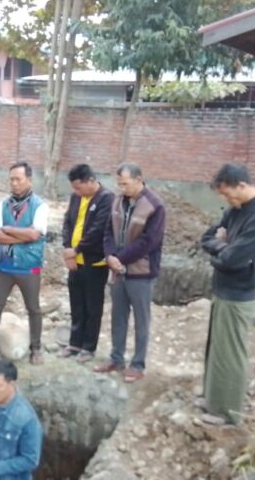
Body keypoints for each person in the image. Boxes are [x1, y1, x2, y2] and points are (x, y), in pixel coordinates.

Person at [199, 163, 255, 426]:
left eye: (227, 194)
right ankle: (212, 399)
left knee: (230, 353)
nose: (225, 200)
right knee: (216, 349)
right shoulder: (235, 211)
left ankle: (227, 412)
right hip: (222, 287)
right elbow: (207, 238)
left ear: (241, 186)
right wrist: (223, 246)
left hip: (239, 293)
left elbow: (231, 259)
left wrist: (222, 249)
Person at [93, 162, 165, 383]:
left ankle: (138, 364)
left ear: (138, 180)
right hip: (118, 271)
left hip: (141, 272)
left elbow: (149, 241)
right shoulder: (117, 201)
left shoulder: (155, 206)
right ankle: (116, 358)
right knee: (118, 316)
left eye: (125, 184)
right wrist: (110, 256)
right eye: (119, 184)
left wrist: (119, 258)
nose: (121, 188)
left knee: (141, 319)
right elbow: (108, 232)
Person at [0, 162, 48, 365]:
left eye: (18, 179)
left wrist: (7, 229)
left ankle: (36, 348)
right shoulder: (3, 204)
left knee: (33, 308)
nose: (14, 183)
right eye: (11, 179)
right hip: (4, 266)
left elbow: (35, 234)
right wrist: (22, 236)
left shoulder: (40, 206)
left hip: (29, 267)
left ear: (29, 180)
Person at [60, 164, 114, 363]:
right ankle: (74, 343)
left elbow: (98, 230)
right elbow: (67, 222)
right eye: (74, 188)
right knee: (76, 303)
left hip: (95, 263)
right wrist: (68, 249)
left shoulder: (107, 199)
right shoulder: (76, 197)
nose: (77, 192)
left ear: (91, 181)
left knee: (93, 306)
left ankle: (89, 347)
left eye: (79, 187)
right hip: (75, 262)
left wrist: (76, 250)